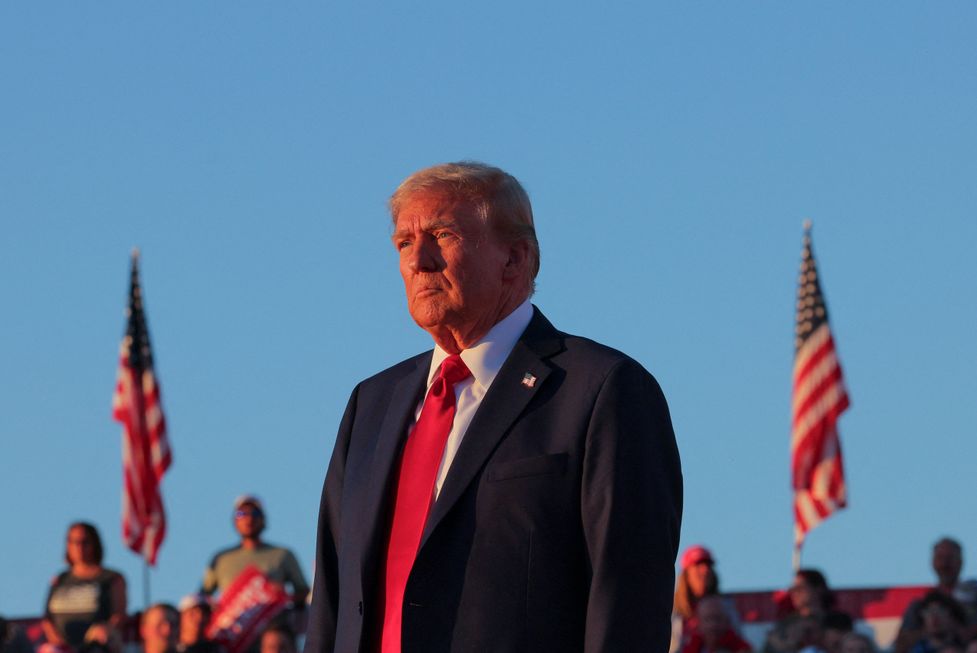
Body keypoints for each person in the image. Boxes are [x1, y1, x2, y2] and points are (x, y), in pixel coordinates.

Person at [304, 161, 683, 653]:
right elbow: (332, 602)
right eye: (403, 242)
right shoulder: (370, 404)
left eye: (442, 235)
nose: (419, 259)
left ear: (515, 257)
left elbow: (627, 600)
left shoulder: (601, 390)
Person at [202, 496, 309, 607]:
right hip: (232, 622)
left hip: (274, 621)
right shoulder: (220, 558)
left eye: (255, 513)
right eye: (242, 514)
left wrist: (282, 596)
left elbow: (303, 592)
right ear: (235, 521)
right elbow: (202, 596)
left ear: (263, 519)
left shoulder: (283, 555)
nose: (249, 519)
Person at [42, 522, 127, 651]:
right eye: (73, 542)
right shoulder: (59, 579)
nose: (79, 547)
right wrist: (60, 643)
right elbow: (47, 619)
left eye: (84, 542)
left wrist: (103, 632)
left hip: (98, 643)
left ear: (94, 544)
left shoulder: (111, 578)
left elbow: (118, 616)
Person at [896, 538, 977, 653]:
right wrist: (930, 631)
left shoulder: (976, 595)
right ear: (933, 562)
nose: (945, 564)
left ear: (960, 561)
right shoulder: (919, 605)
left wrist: (956, 628)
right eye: (940, 558)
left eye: (950, 558)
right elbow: (900, 645)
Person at [681, 595, 751, 653]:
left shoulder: (742, 649)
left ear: (727, 621)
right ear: (699, 623)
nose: (713, 625)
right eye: (707, 619)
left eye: (717, 618)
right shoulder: (690, 649)